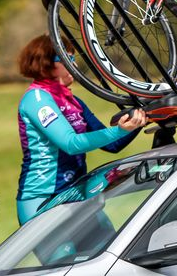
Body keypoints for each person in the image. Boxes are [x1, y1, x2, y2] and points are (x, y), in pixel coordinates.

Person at [15, 34, 147, 225]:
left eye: (74, 59)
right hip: (43, 199)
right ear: (45, 63)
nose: (75, 65)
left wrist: (143, 119)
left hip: (76, 193)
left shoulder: (74, 102)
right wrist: (120, 130)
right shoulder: (36, 99)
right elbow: (71, 144)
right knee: (69, 257)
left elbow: (113, 145)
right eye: (67, 59)